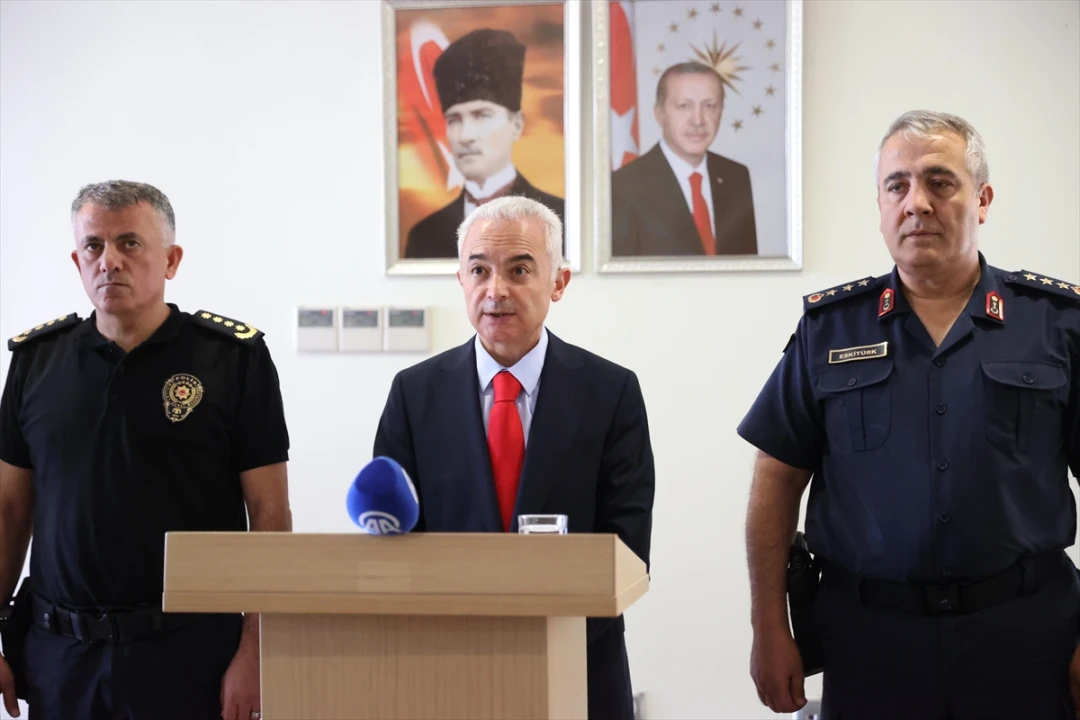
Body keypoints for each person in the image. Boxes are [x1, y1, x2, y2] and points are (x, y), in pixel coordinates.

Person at [738, 109, 1080, 719]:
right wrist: (769, 627)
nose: (916, 203)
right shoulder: (830, 330)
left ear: (982, 200)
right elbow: (776, 478)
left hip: (1026, 640)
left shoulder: (1055, 324)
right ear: (880, 205)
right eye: (897, 186)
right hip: (869, 644)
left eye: (940, 182)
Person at [0, 180, 292, 720]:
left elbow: (270, 515)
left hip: (188, 657)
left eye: (130, 243)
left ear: (171, 260)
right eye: (93, 246)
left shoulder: (232, 359)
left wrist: (257, 648)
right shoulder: (35, 363)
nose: (109, 261)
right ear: (77, 261)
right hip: (61, 659)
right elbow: (10, 512)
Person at [375, 195, 655, 718]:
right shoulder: (414, 395)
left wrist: (543, 640)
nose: (495, 290)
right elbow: (395, 547)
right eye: (479, 270)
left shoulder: (610, 392)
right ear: (461, 280)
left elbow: (627, 548)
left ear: (558, 282)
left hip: (577, 666)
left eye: (519, 270)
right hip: (447, 669)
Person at [404, 28, 566, 260]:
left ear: (516, 124)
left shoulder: (560, 220)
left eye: (481, 115)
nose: (465, 136)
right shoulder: (424, 235)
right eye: (454, 119)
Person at [611, 61, 757, 257]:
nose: (698, 120)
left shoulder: (736, 177)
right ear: (659, 114)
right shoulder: (624, 186)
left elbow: (748, 268)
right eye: (684, 106)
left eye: (709, 106)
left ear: (721, 111)